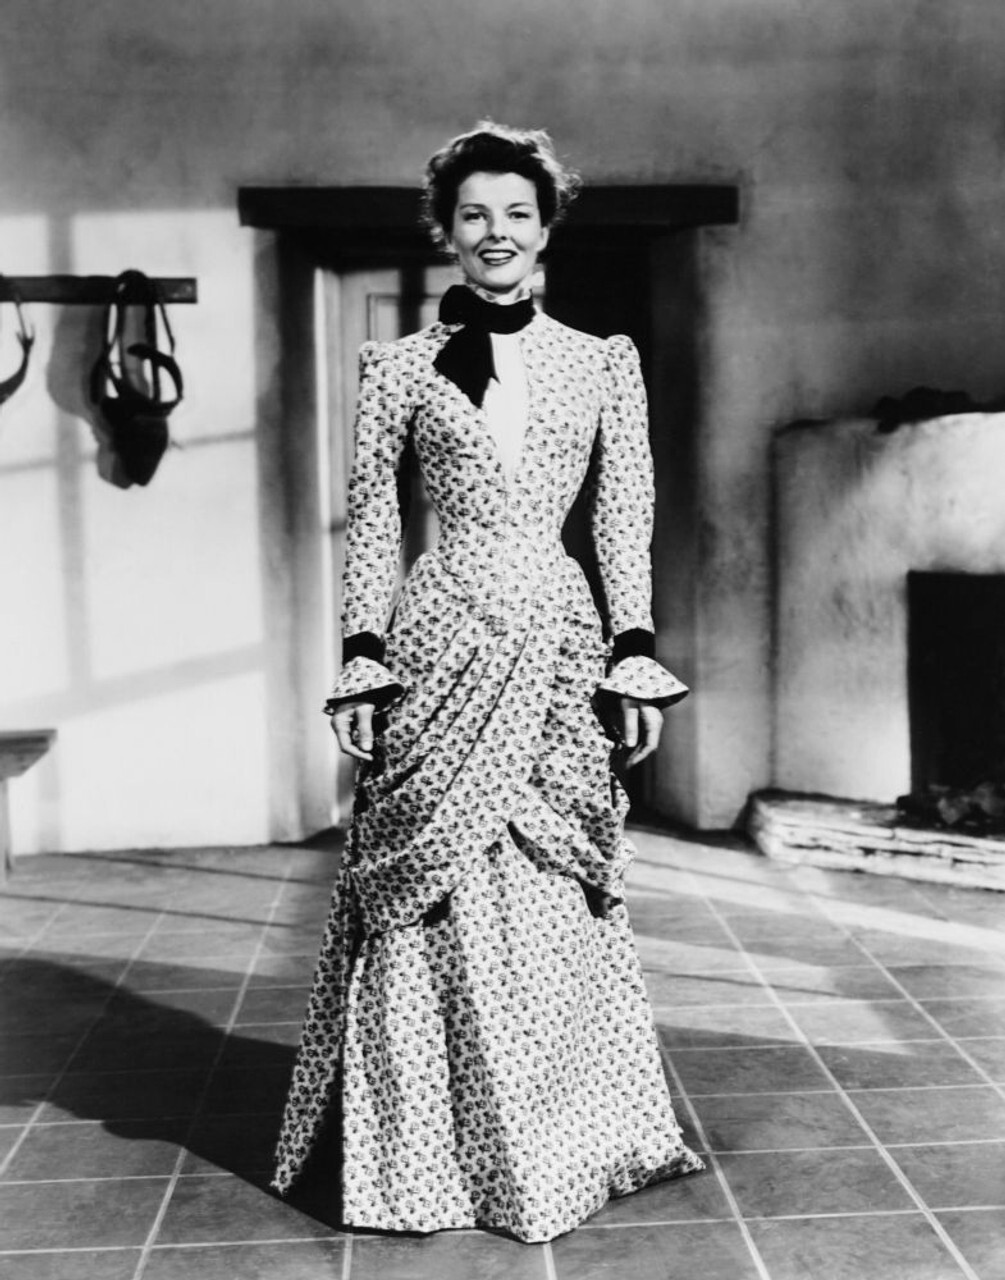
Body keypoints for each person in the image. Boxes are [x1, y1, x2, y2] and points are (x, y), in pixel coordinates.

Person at [272, 121, 704, 1244]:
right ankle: (424, 1158)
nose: (495, 232)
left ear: (546, 227)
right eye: (474, 214)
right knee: (431, 884)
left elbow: (623, 516)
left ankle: (559, 1144)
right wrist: (363, 653)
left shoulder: (602, 359)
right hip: (439, 637)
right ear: (447, 231)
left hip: (559, 635)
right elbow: (373, 518)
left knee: (553, 879)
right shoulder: (396, 367)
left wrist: (632, 652)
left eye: (517, 212)